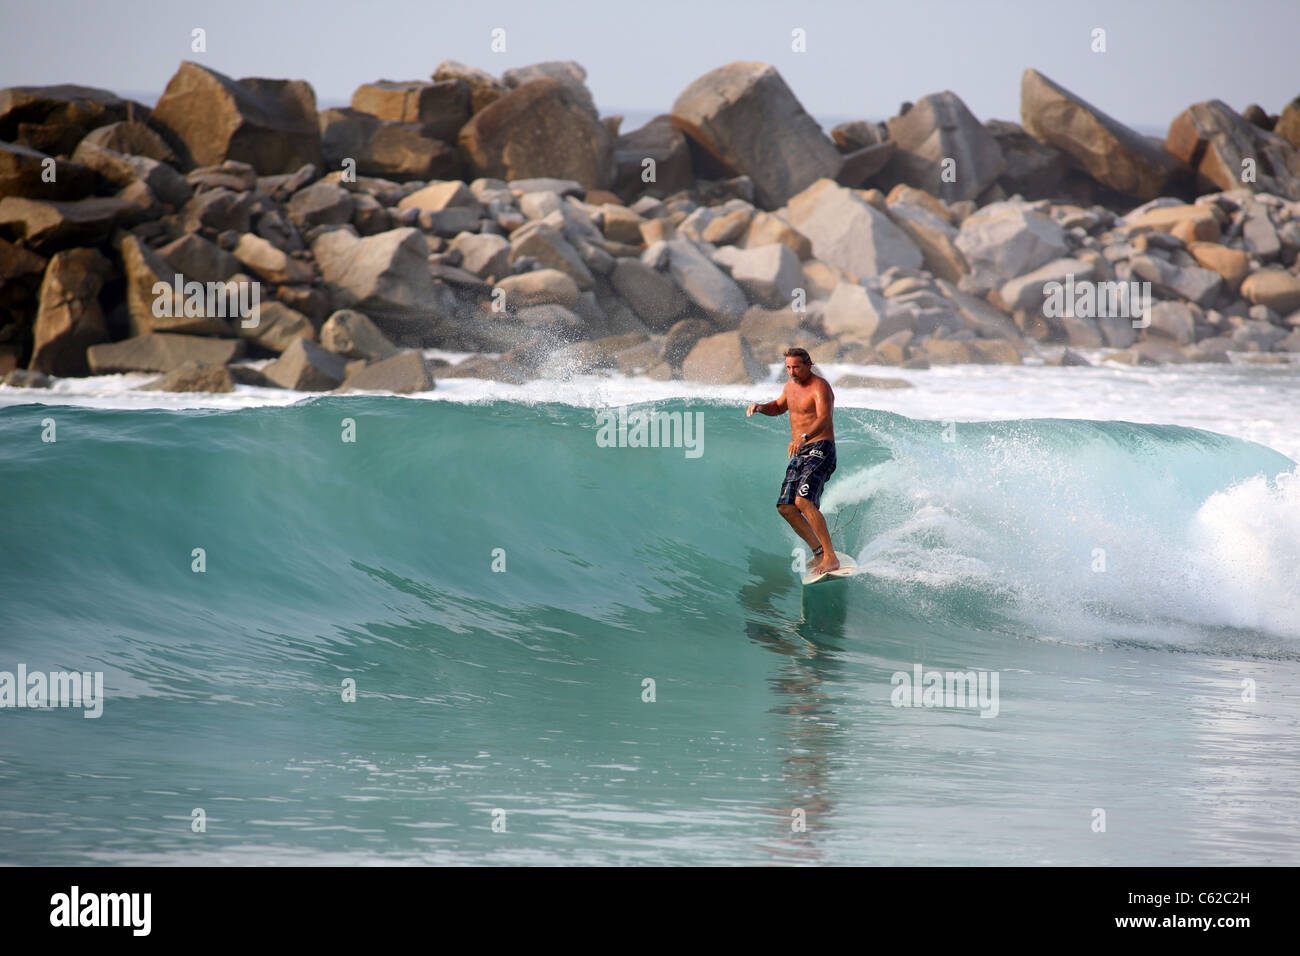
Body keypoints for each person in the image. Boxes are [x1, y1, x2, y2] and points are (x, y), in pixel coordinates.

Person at [746, 347, 839, 575]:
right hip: (800, 451)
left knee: (803, 501)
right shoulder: (789, 387)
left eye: (796, 366)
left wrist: (804, 437)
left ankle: (831, 557)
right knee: (786, 507)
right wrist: (760, 407)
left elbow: (824, 418)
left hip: (820, 448)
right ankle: (818, 553)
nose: (792, 371)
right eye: (788, 367)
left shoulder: (820, 387)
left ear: (809, 364)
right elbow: (778, 407)